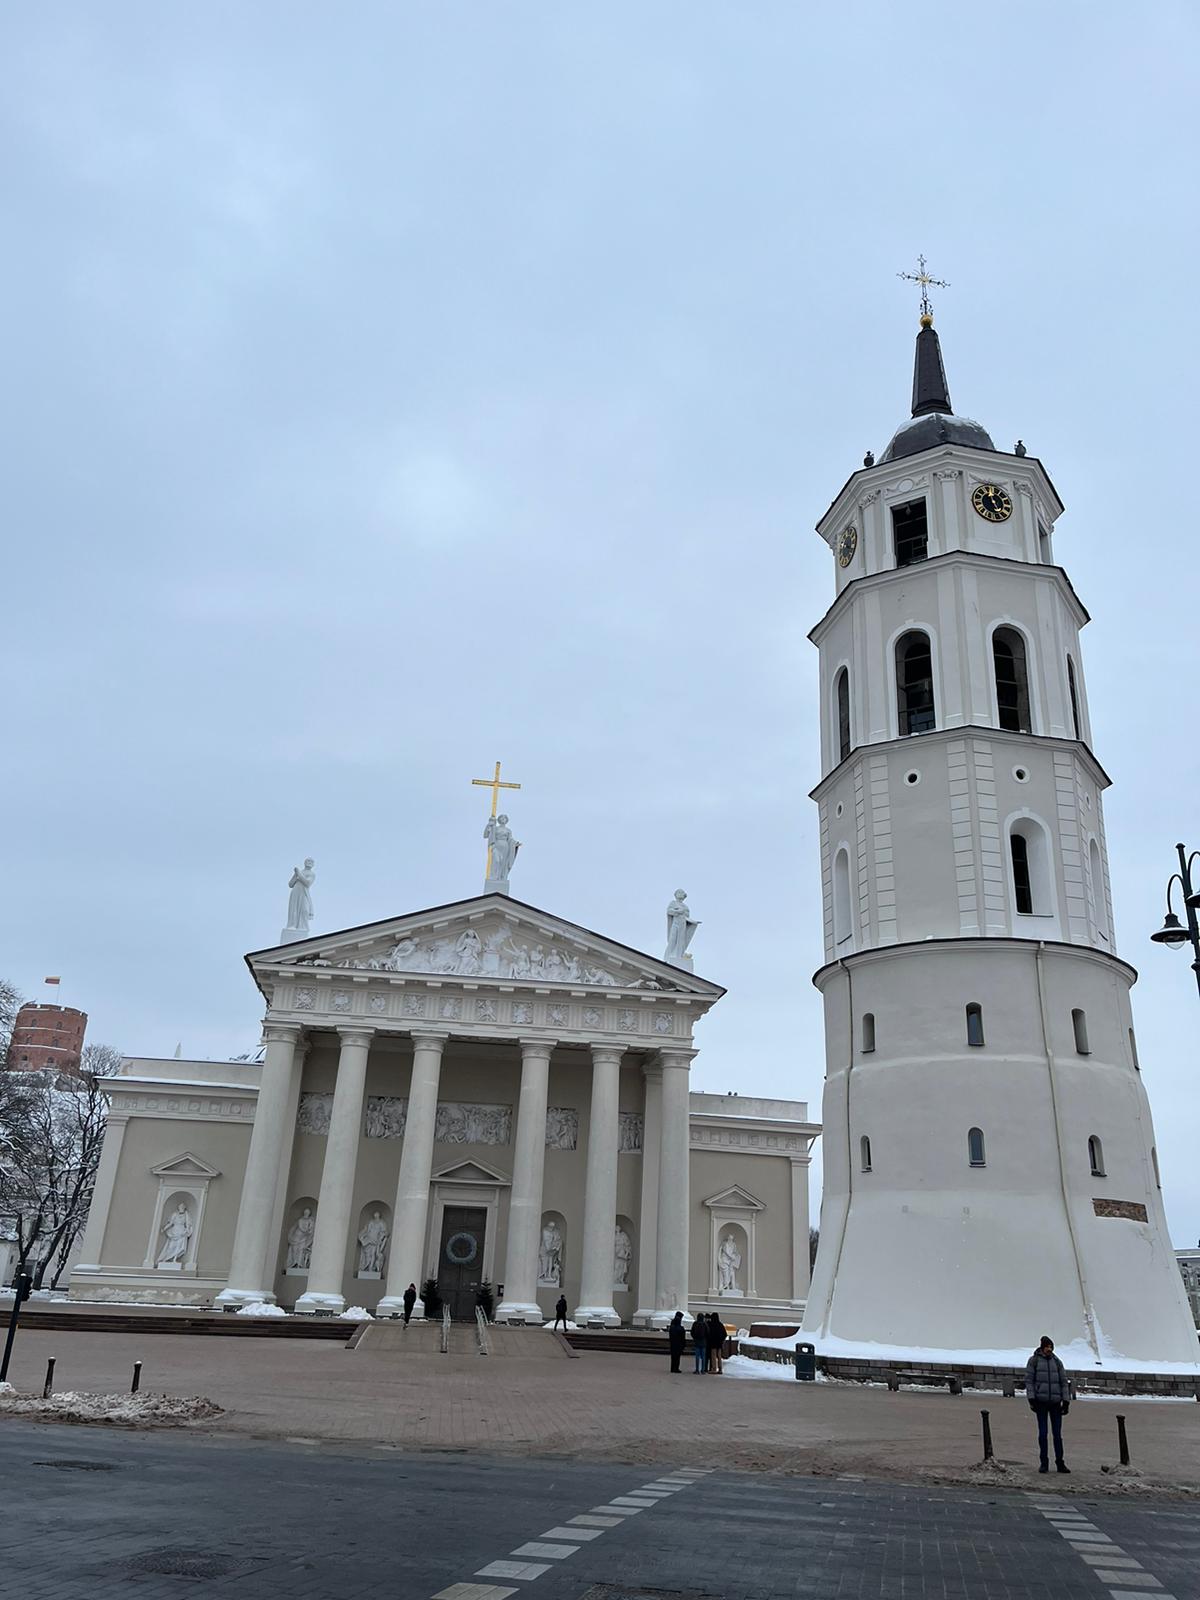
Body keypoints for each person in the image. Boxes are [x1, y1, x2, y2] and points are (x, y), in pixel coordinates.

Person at [1025, 1334, 1071, 1473]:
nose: (1049, 1349)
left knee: (1057, 1434)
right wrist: (1031, 1398)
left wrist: (1066, 1401)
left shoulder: (1057, 1362)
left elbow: (1063, 1382)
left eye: (1051, 1347)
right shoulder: (1034, 1361)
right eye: (1047, 1347)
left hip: (1055, 1403)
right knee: (1043, 1433)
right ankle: (1044, 1462)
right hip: (1041, 1402)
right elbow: (1029, 1381)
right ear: (1042, 1347)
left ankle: (1060, 1462)